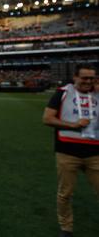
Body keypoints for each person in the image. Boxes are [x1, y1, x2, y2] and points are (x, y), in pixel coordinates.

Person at [42, 64, 98, 237]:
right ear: (75, 77)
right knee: (65, 193)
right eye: (84, 77)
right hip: (67, 152)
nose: (88, 81)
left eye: (92, 78)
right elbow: (47, 118)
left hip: (95, 153)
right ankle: (66, 227)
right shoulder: (63, 92)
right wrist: (73, 125)